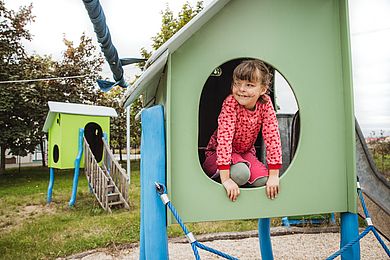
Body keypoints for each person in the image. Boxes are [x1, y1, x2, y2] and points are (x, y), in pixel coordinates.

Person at [203, 59, 282, 202]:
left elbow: (272, 138)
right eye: (237, 83)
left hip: (245, 153)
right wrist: (226, 179)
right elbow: (225, 140)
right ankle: (224, 176)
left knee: (263, 181)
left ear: (263, 89)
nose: (241, 89)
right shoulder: (231, 103)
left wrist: (274, 175)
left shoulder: (265, 104)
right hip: (217, 155)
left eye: (249, 85)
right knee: (241, 174)